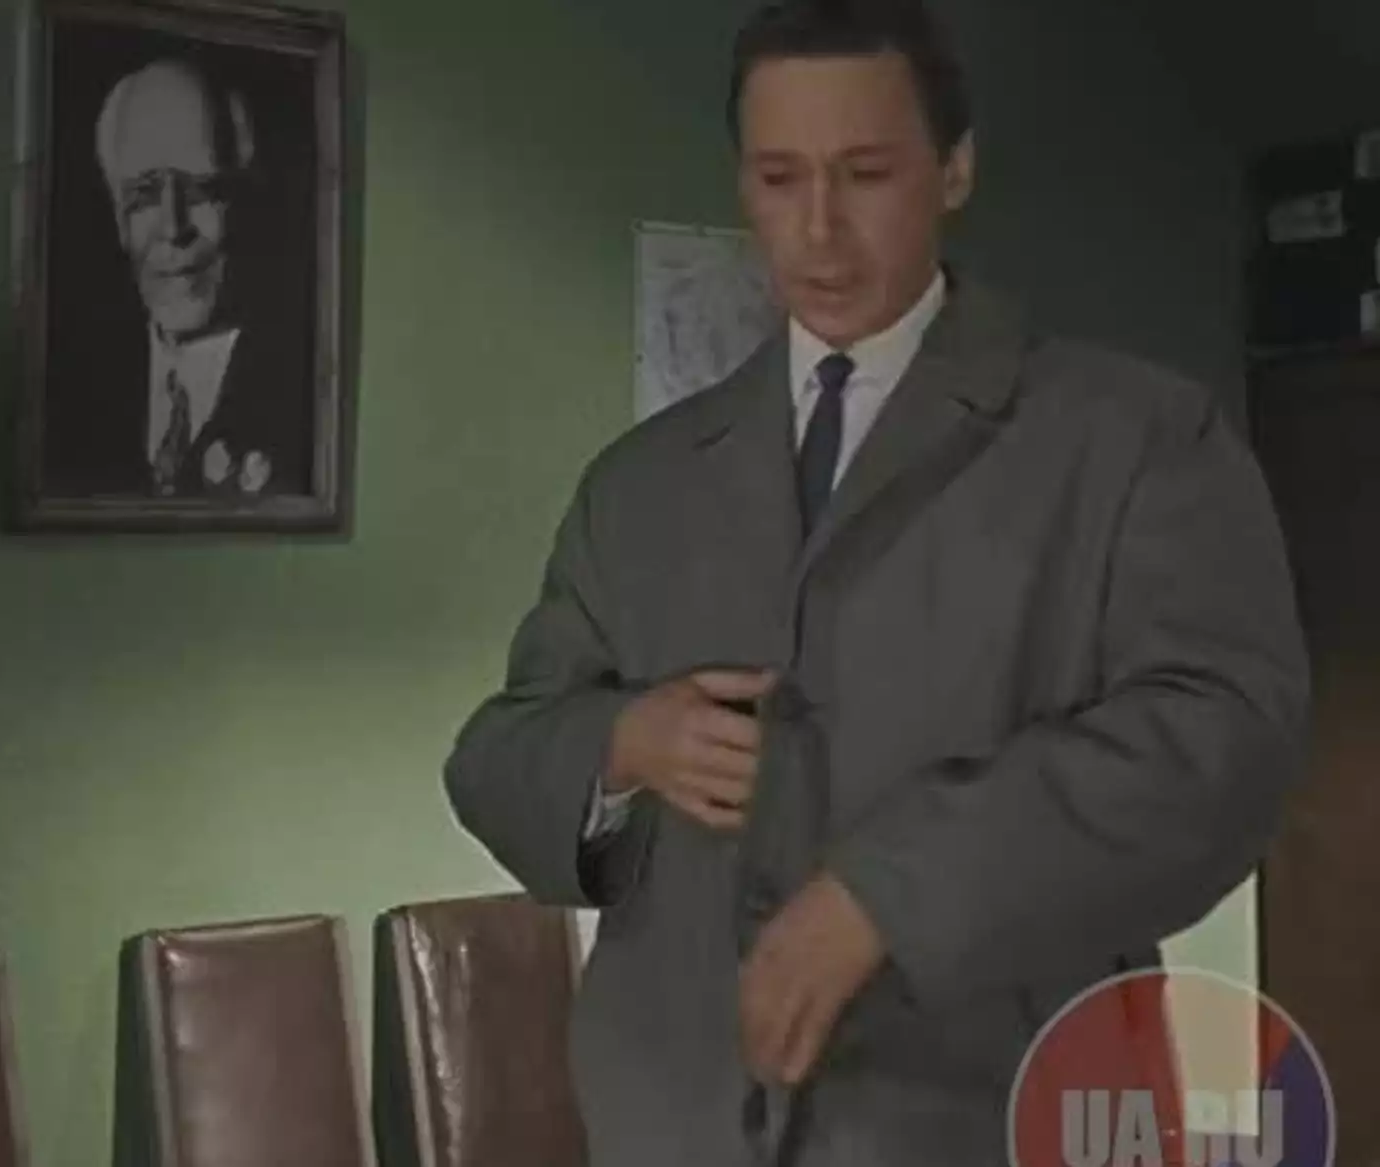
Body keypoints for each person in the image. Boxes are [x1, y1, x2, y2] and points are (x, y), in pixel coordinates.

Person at [443, 0, 1310, 1164]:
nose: (818, 231)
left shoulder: (1135, 439)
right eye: (777, 178)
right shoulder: (637, 485)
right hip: (672, 1127)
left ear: (953, 169)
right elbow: (494, 758)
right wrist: (620, 744)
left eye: (863, 174)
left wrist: (890, 893)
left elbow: (1219, 745)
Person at [41, 55, 311, 500]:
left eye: (202, 189)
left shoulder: (301, 391)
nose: (173, 227)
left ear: (247, 201)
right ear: (118, 219)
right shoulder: (69, 393)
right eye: (144, 195)